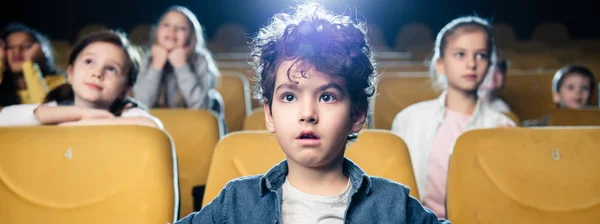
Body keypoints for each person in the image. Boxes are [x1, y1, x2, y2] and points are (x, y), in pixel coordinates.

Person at [176, 3, 448, 223]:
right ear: (269, 115)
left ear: (357, 115)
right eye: (290, 96)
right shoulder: (236, 203)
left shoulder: (395, 207)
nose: (307, 114)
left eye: (327, 96)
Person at [391, 16, 515, 219]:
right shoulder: (409, 118)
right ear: (440, 64)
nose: (471, 64)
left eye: (481, 55)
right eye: (460, 54)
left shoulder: (501, 125)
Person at [0, 30, 162, 129]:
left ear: (124, 89)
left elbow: (152, 126)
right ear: (70, 73)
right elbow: (5, 117)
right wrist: (85, 114)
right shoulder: (57, 107)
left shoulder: (126, 113)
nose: (97, 73)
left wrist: (81, 124)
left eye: (112, 69)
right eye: (89, 62)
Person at [133, 6, 220, 109]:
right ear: (157, 31)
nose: (172, 30)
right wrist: (156, 65)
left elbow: (201, 107)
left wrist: (181, 65)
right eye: (166, 25)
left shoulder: (201, 60)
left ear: (191, 36)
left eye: (181, 28)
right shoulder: (147, 59)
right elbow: (142, 104)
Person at [0, 23, 65, 106]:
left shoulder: (59, 82)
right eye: (10, 47)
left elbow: (45, 111)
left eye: (26, 46)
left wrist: (29, 65)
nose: (17, 51)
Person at [522, 65, 596, 126]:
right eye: (570, 87)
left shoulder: (595, 122)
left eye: (585, 88)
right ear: (556, 95)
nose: (578, 92)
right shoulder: (545, 123)